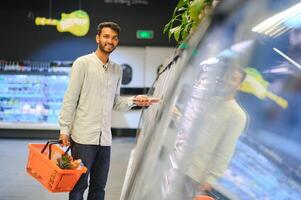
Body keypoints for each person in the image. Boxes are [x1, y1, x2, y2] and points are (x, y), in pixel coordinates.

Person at [58, 22, 157, 200]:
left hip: (105, 140)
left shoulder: (116, 70)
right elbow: (70, 98)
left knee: (99, 188)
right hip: (83, 138)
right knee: (79, 186)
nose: (109, 41)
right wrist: (64, 129)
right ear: (98, 38)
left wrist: (136, 100)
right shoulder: (83, 63)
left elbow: (115, 102)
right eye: (106, 36)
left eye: (114, 38)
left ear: (117, 41)